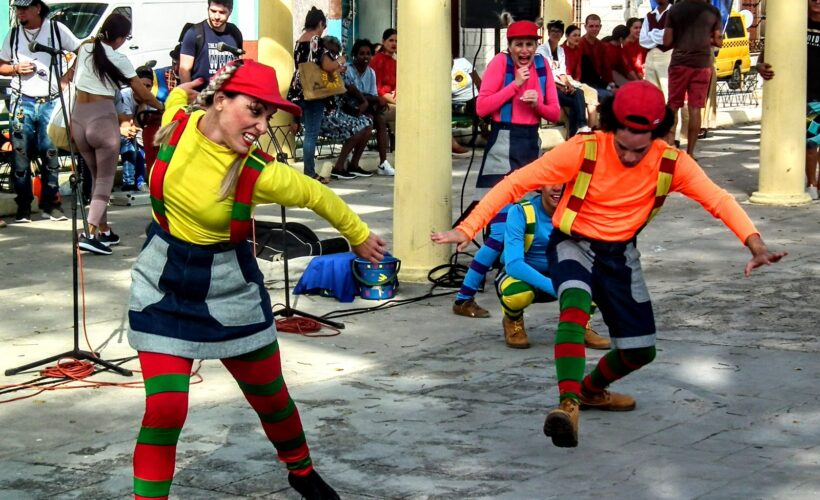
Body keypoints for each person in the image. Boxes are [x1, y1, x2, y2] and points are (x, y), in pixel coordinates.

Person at [432, 81, 786, 449]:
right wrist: (467, 228)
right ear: (610, 128)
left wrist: (754, 243)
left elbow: (718, 199)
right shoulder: (583, 149)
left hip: (621, 255)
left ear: (656, 134)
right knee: (574, 310)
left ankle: (591, 390)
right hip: (573, 243)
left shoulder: (671, 162)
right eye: (623, 146)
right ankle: (567, 406)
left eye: (641, 148)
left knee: (640, 350)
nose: (631, 157)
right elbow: (515, 182)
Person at [129, 58, 386, 500]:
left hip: (229, 288)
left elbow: (316, 194)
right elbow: (175, 99)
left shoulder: (258, 170)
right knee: (166, 408)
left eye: (269, 115)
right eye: (255, 110)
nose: (263, 126)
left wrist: (359, 236)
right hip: (163, 285)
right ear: (221, 100)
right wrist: (183, 88)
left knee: (270, 397)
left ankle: (301, 471)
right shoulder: (177, 125)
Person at [451, 20, 559, 321]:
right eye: (519, 44)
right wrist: (514, 87)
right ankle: (465, 297)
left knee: (519, 225)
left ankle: (470, 296)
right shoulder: (499, 64)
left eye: (529, 44)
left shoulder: (542, 66)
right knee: (498, 234)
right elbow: (482, 108)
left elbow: (555, 112)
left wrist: (538, 103)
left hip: (529, 147)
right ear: (509, 47)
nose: (524, 50)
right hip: (502, 144)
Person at [70, 13, 164, 255]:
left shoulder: (85, 47)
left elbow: (69, 77)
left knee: (95, 177)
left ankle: (103, 230)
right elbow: (142, 94)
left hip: (78, 118)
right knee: (104, 181)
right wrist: (163, 106)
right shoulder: (119, 58)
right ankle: (89, 233)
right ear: (121, 38)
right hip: (102, 118)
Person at [492, 185, 610, 350]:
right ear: (540, 184)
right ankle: (513, 319)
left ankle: (579, 324)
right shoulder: (521, 212)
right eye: (551, 181)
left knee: (600, 277)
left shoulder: (579, 212)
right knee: (519, 294)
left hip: (560, 273)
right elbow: (513, 265)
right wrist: (556, 288)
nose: (557, 188)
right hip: (523, 276)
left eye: (564, 181)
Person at [0, 0, 80, 223]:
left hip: (51, 100)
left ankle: (51, 204)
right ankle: (23, 206)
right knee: (20, 156)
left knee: (50, 154)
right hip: (21, 100)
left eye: (25, 8)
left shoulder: (56, 29)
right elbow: (1, 64)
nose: (20, 13)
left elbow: (83, 50)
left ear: (37, 8)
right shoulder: (14, 34)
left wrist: (67, 76)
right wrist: (15, 69)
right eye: (18, 9)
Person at [756, 0, 820, 201]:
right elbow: (770, 49)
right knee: (811, 146)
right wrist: (760, 66)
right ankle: (811, 184)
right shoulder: (795, 23)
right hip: (805, 96)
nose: (817, 1)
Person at [663, 0, 722, 156]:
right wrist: (705, 39)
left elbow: (666, 41)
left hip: (679, 63)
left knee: (673, 105)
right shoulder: (713, 12)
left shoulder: (675, 10)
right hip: (702, 65)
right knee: (695, 108)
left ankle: (669, 148)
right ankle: (690, 152)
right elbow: (719, 41)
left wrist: (682, 39)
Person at [319, 35, 374, 180]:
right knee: (357, 127)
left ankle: (354, 165)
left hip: (340, 111)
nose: (333, 57)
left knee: (368, 124)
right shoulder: (315, 69)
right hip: (325, 114)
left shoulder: (339, 71)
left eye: (335, 53)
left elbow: (350, 87)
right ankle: (338, 167)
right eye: (330, 53)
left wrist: (364, 102)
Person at [343, 38, 394, 174]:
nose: (365, 57)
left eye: (368, 53)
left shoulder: (371, 72)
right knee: (369, 121)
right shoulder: (347, 70)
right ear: (355, 55)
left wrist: (377, 101)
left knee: (380, 120)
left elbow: (371, 95)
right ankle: (353, 163)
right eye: (362, 53)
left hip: (365, 107)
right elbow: (350, 95)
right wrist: (376, 99)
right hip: (349, 108)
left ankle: (383, 163)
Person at [537, 19, 589, 138]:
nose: (555, 34)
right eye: (553, 31)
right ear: (548, 33)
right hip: (546, 87)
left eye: (558, 31)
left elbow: (562, 72)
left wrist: (569, 86)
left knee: (578, 93)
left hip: (559, 86)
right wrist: (562, 87)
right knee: (576, 102)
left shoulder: (560, 50)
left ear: (561, 34)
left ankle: (578, 129)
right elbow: (546, 75)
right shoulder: (542, 50)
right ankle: (579, 129)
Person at [179, 0, 242, 91]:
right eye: (213, 11)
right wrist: (190, 97)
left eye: (222, 12)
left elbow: (238, 64)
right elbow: (184, 70)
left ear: (230, 11)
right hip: (201, 98)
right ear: (208, 8)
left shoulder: (235, 32)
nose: (216, 16)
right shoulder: (194, 33)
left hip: (228, 98)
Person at [115, 66, 154, 191]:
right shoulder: (125, 95)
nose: (145, 89)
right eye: (142, 85)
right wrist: (143, 103)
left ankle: (140, 181)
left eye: (148, 86)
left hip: (132, 132)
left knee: (143, 141)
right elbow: (130, 126)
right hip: (116, 131)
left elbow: (143, 126)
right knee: (130, 138)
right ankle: (129, 182)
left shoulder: (150, 99)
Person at [562, 24, 599, 128]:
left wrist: (577, 81)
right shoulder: (561, 50)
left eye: (578, 35)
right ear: (567, 36)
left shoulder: (578, 49)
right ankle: (587, 127)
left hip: (574, 81)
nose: (577, 38)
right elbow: (563, 71)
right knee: (588, 94)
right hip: (564, 80)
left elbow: (578, 68)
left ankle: (591, 129)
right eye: (574, 35)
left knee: (592, 94)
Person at [369, 28, 397, 150]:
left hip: (392, 99)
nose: (394, 44)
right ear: (383, 42)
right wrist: (394, 100)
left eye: (397, 41)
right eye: (391, 40)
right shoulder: (377, 60)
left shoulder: (395, 61)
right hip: (379, 102)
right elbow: (377, 89)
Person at [640, 0, 672, 99]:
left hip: (667, 55)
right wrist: (659, 35)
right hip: (650, 57)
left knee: (667, 90)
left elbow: (669, 36)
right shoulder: (649, 15)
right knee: (651, 92)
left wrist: (651, 33)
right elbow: (642, 40)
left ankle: (670, 114)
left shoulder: (674, 13)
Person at [578, 14, 613, 101]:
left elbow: (606, 67)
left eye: (597, 26)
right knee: (608, 97)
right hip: (583, 83)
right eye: (591, 26)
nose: (594, 29)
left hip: (599, 82)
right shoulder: (579, 44)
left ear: (600, 27)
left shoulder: (601, 45)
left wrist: (611, 84)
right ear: (585, 27)